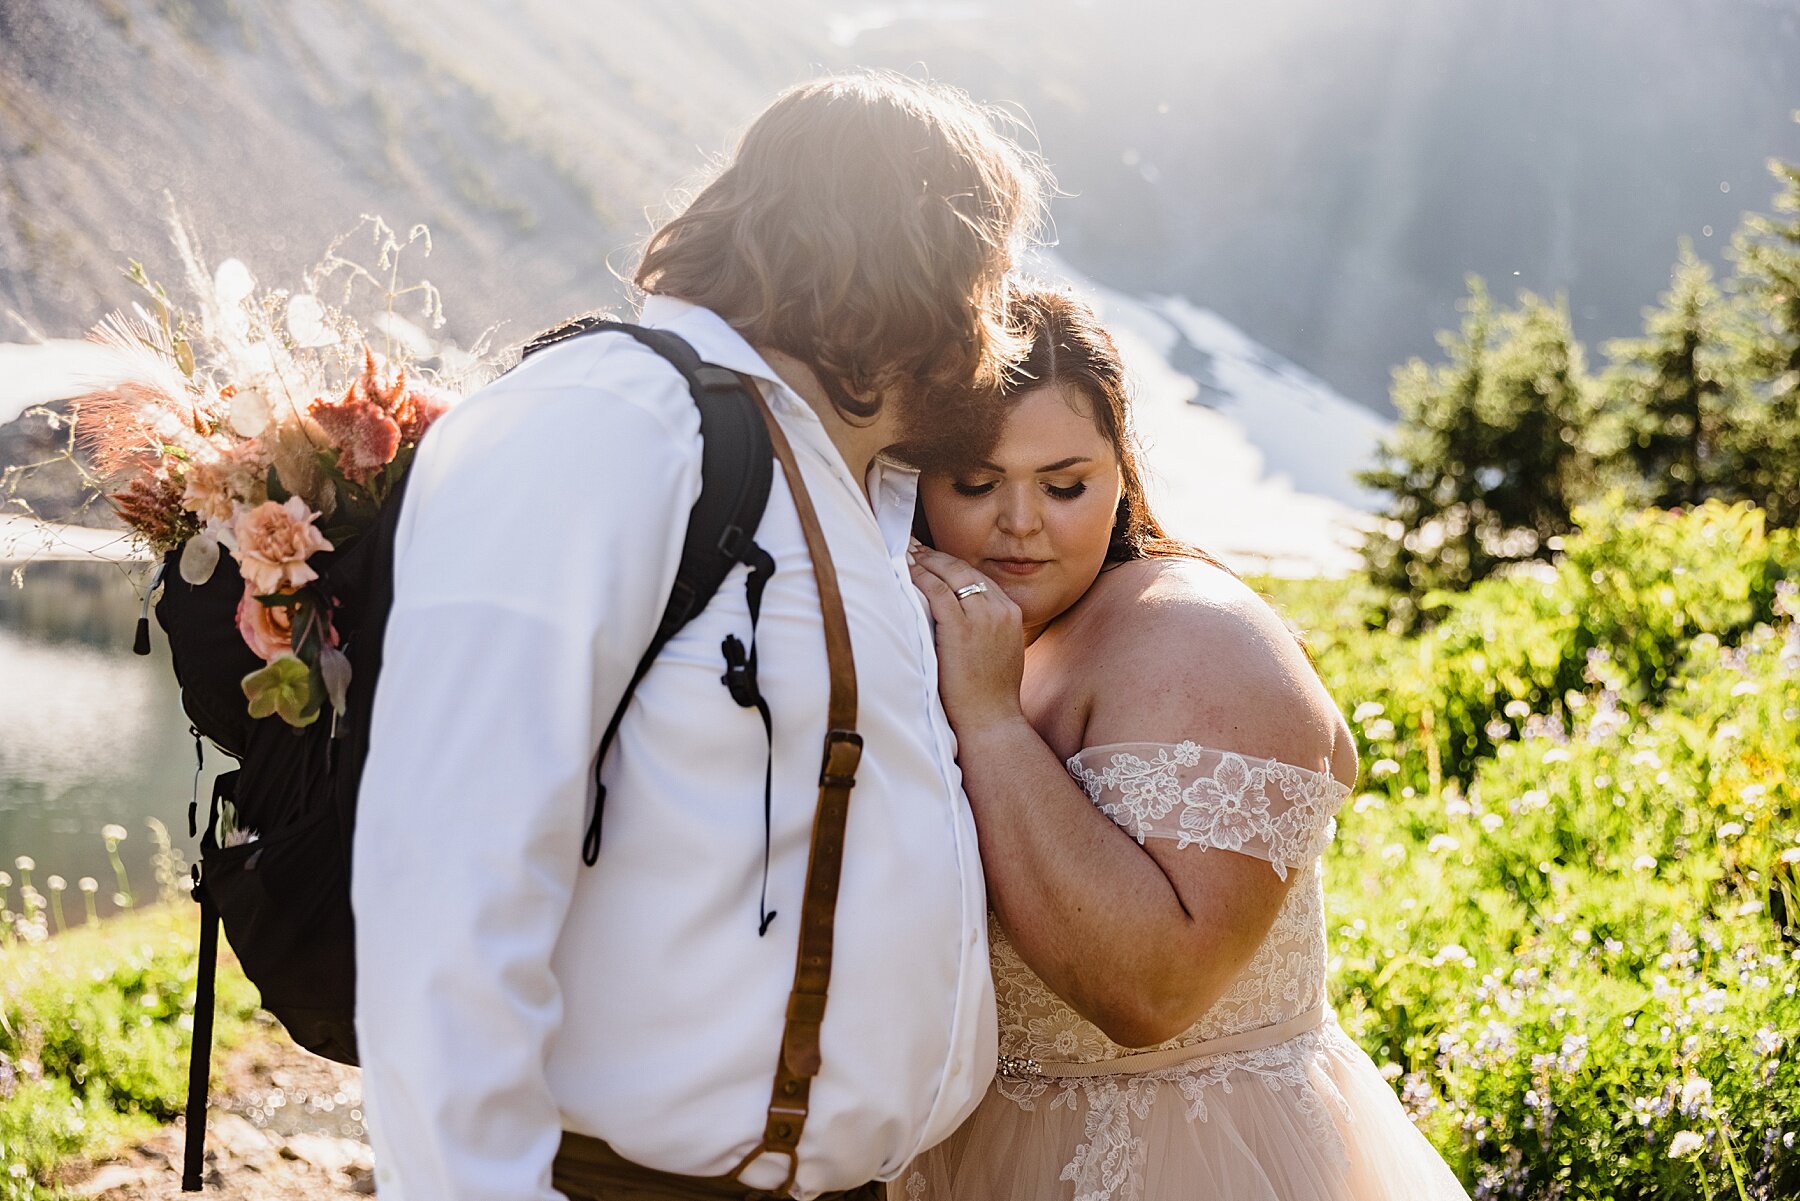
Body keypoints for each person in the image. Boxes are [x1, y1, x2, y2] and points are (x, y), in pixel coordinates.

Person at [351, 72, 1046, 1201]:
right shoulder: (615, 419)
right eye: (993, 274)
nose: (1002, 317)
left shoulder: (849, 488)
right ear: (920, 262)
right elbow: (448, 865)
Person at [898, 289, 1471, 1201]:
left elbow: (1155, 992)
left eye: (1064, 482)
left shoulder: (1198, 638)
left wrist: (992, 721)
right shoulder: (970, 630)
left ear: (1121, 470)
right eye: (975, 483)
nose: (1019, 522)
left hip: (1194, 1161)